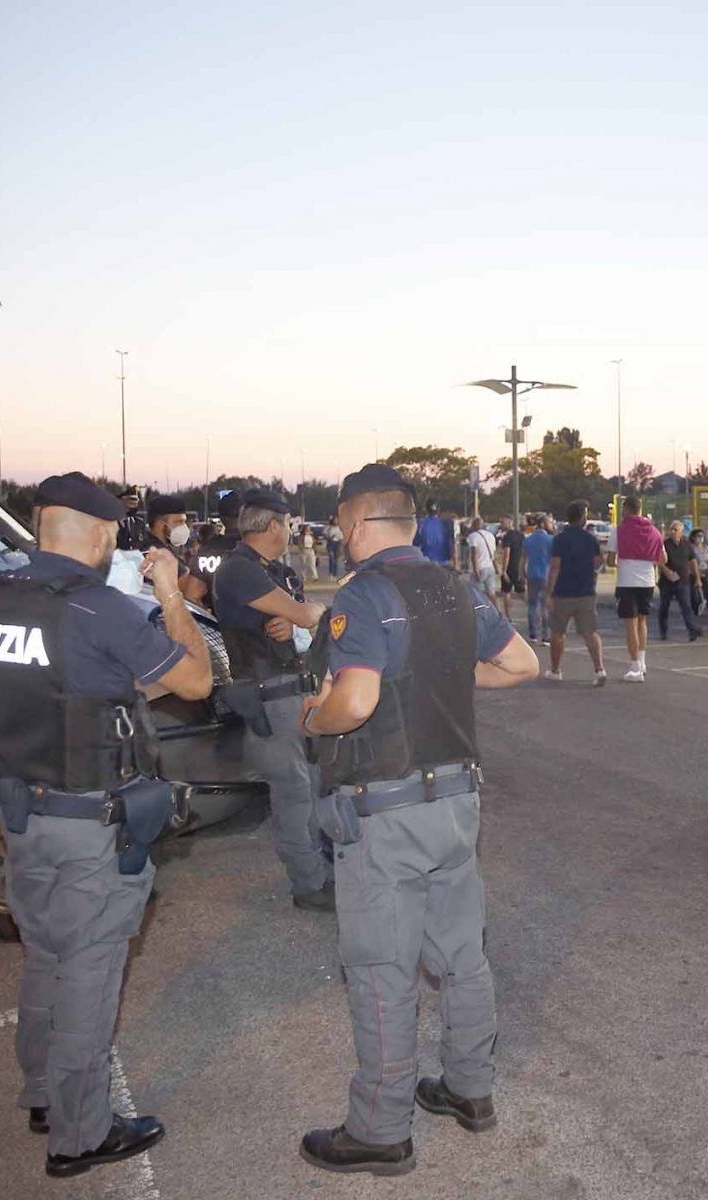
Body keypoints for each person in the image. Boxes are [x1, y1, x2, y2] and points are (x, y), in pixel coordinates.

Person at [297, 463, 539, 1176]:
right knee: (462, 956)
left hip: (388, 811)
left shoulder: (365, 595)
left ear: (356, 520)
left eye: (341, 523)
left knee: (380, 970)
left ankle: (380, 1129)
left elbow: (357, 701)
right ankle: (469, 1089)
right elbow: (520, 663)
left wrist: (316, 716)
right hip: (457, 804)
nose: (339, 534)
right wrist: (441, 679)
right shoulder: (457, 586)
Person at [0, 472, 213, 1176]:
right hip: (88, 825)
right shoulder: (102, 607)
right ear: (104, 533)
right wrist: (169, 593)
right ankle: (80, 1133)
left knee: (45, 955)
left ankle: (44, 1092)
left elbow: (81, 683)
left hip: (20, 814)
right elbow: (196, 682)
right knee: (89, 970)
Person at [213, 489, 334, 909]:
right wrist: (304, 614)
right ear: (272, 527)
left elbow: (307, 621)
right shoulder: (239, 570)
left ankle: (323, 870)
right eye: (288, 524)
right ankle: (309, 884)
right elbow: (311, 615)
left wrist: (301, 617)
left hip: (297, 689)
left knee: (316, 786)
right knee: (294, 791)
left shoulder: (275, 571)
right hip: (270, 696)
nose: (292, 531)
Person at [545, 500, 607, 685]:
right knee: (590, 632)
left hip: (563, 591)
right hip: (586, 591)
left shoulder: (560, 539)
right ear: (582, 517)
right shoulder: (591, 538)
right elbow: (598, 562)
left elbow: (555, 566)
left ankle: (555, 670)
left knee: (558, 632)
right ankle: (599, 669)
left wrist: (549, 592)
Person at [614, 496, 665, 681]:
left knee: (630, 624)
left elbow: (611, 560)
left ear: (626, 509)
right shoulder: (654, 531)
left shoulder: (619, 530)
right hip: (648, 581)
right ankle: (642, 662)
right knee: (642, 622)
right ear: (640, 509)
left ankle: (634, 666)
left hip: (627, 581)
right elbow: (662, 559)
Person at [145, 494, 208, 605]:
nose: (184, 527)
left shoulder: (155, 545)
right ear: (160, 524)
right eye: (178, 522)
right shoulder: (157, 553)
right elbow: (190, 589)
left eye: (184, 522)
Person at [658, 519, 702, 642]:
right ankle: (663, 631)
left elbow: (692, 561)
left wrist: (697, 578)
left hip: (683, 581)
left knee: (686, 606)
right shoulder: (664, 544)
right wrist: (666, 571)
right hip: (667, 582)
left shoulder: (686, 545)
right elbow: (658, 560)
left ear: (682, 532)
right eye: (672, 529)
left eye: (676, 530)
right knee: (664, 607)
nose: (673, 532)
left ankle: (692, 631)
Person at [523, 514, 554, 644]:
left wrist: (522, 573)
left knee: (532, 605)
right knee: (545, 606)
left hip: (531, 574)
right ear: (543, 524)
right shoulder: (551, 540)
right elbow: (554, 560)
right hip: (546, 575)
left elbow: (523, 558)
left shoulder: (528, 539)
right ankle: (546, 636)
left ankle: (532, 634)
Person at [497, 516, 527, 625]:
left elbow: (506, 554)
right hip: (519, 567)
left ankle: (508, 618)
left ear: (510, 522)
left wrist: (504, 570)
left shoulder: (507, 537)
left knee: (506, 592)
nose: (501, 524)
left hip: (510, 567)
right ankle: (534, 612)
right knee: (522, 592)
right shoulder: (521, 536)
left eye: (503, 522)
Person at [412, 499, 454, 566]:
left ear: (426, 509)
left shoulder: (420, 524)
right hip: (444, 564)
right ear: (439, 509)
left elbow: (415, 544)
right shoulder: (446, 524)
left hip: (426, 563)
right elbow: (451, 544)